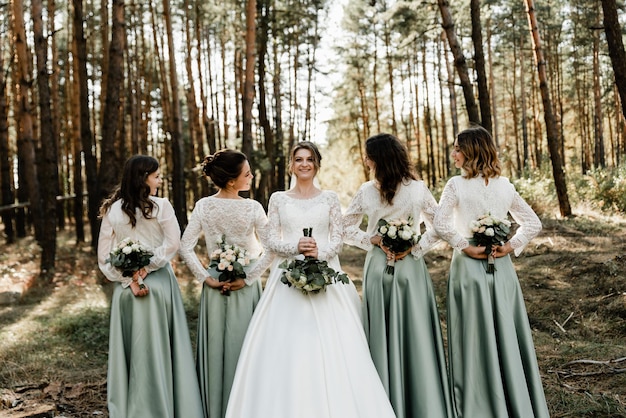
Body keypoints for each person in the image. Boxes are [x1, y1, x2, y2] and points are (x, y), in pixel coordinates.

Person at [224, 141, 396, 418]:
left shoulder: (329, 198)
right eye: (299, 159)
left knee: (335, 348)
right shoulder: (278, 198)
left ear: (317, 164)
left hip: (326, 278)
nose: (304, 164)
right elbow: (269, 241)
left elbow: (338, 240)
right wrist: (295, 248)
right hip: (286, 281)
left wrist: (319, 252)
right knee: (286, 348)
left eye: (310, 159)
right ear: (291, 164)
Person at [433, 125, 549, 418]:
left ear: (471, 151)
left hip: (470, 265)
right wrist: (510, 246)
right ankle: (513, 399)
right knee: (503, 329)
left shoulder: (455, 185)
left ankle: (477, 402)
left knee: (472, 335)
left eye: (458, 148)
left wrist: (464, 246)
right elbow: (532, 223)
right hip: (501, 265)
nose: (453, 154)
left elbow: (440, 224)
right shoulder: (505, 185)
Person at [343, 133, 454, 418]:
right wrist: (416, 248)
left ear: (375, 159)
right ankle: (422, 400)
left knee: (382, 331)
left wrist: (373, 240)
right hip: (410, 269)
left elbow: (343, 228)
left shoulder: (366, 190)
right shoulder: (418, 188)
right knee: (415, 330)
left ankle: (382, 400)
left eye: (367, 155)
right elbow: (440, 225)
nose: (365, 160)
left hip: (379, 267)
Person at [97, 155, 203, 418]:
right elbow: (172, 243)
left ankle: (133, 407)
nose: (159, 179)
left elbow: (103, 257)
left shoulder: (112, 209)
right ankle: (168, 404)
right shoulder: (161, 206)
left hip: (127, 291)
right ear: (143, 178)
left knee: (134, 349)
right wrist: (147, 268)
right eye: (156, 176)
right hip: (159, 286)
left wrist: (128, 279)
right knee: (162, 348)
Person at [179, 149, 271, 418]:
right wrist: (250, 278)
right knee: (245, 346)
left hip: (215, 285)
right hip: (245, 286)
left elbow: (186, 247)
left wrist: (205, 278)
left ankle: (217, 408)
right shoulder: (253, 207)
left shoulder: (204, 206)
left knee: (220, 348)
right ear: (232, 181)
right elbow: (271, 249)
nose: (252, 176)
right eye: (247, 173)